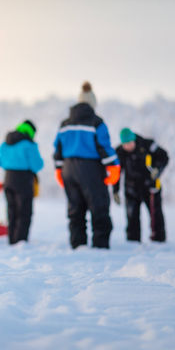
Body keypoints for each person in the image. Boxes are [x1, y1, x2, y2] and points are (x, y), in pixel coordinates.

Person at [53, 81, 120, 249]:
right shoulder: (96, 122)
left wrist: (58, 169)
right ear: (93, 103)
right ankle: (100, 245)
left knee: (75, 209)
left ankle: (78, 245)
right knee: (99, 207)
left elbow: (57, 148)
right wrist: (114, 166)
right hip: (90, 169)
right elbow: (104, 146)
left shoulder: (64, 124)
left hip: (68, 168)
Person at [113, 128, 169, 242]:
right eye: (125, 144)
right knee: (131, 215)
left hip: (151, 187)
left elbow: (164, 156)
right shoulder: (119, 152)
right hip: (131, 188)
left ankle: (159, 240)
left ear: (133, 140)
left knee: (155, 214)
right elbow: (117, 172)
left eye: (129, 143)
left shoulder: (148, 144)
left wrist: (157, 169)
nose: (127, 146)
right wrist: (115, 190)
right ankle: (133, 241)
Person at [0, 120, 44, 245]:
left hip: (8, 179)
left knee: (11, 210)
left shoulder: (5, 143)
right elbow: (37, 165)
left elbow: (1, 162)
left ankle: (12, 239)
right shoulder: (29, 144)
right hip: (23, 179)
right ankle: (21, 240)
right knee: (24, 211)